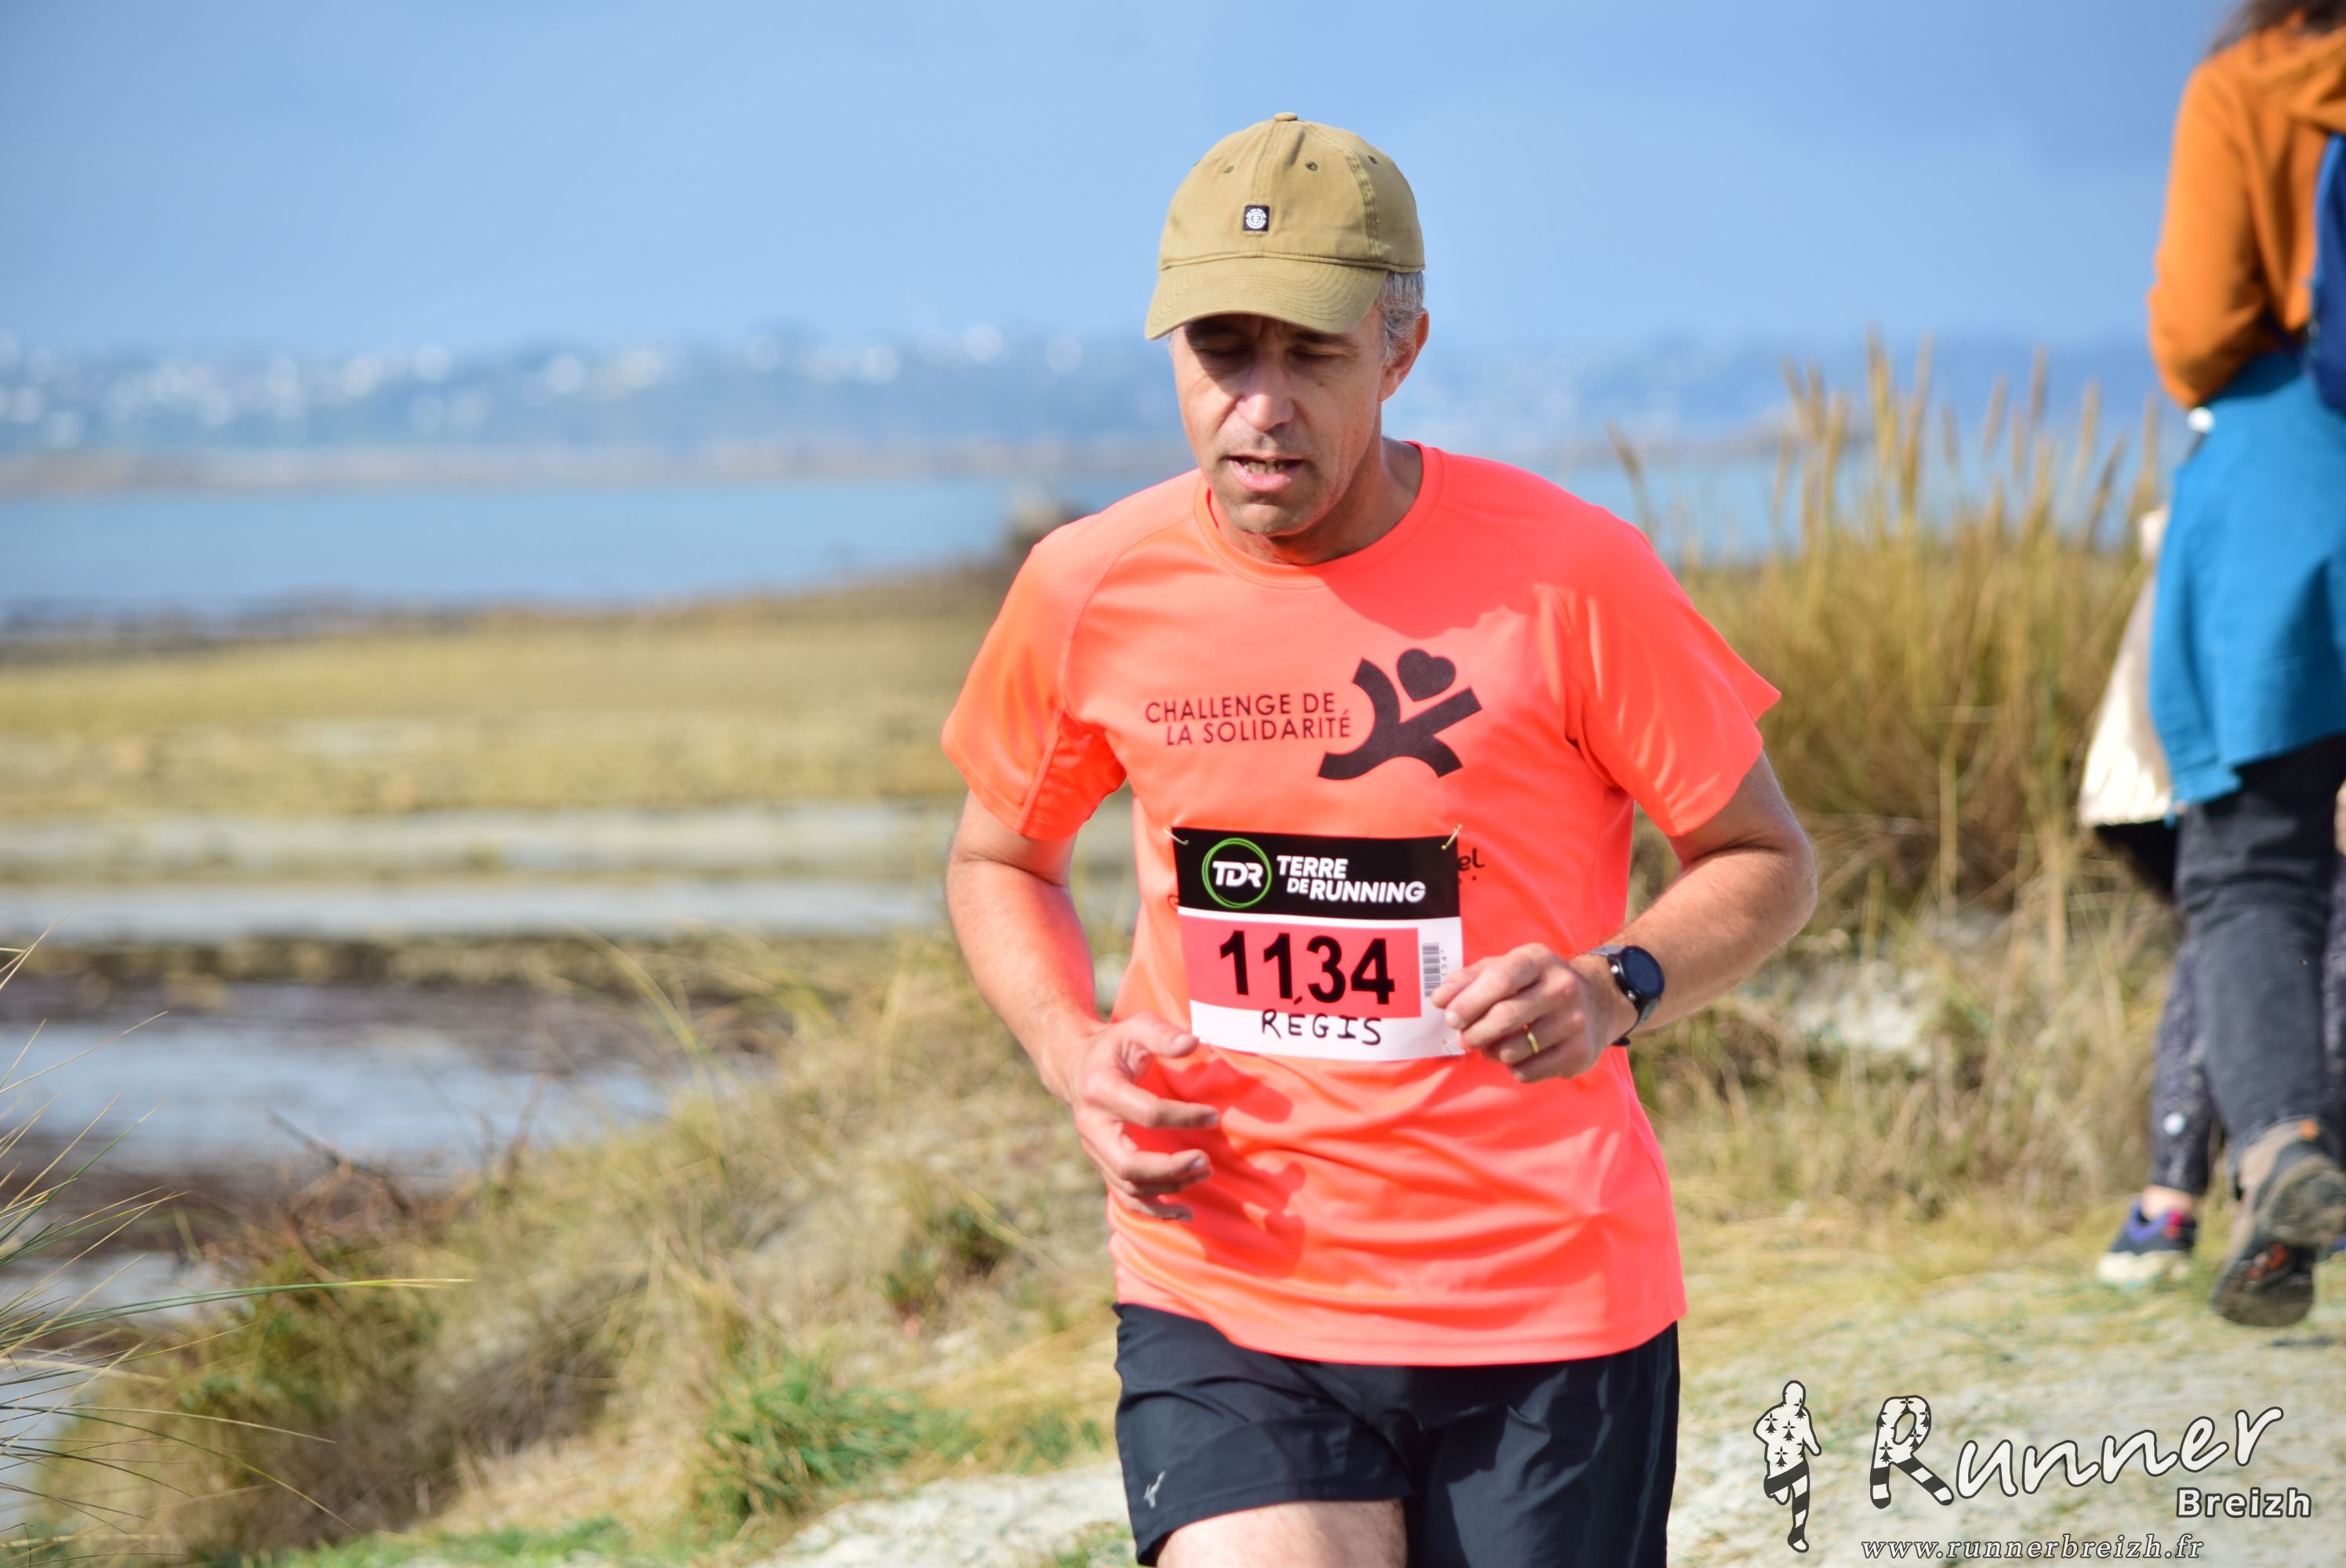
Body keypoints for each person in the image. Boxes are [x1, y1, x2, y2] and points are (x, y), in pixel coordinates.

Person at [941, 113, 1816, 1568]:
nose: (1261, 407)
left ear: (1402, 350)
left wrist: (1615, 986)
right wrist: (1069, 1048)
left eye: (1313, 355)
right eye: (1224, 352)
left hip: (1544, 1300)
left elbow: (1763, 859)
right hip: (1226, 1287)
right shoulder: (1088, 585)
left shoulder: (1570, 575)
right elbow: (998, 861)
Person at [2144, 0, 2346, 1326]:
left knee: (2253, 861)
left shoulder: (2251, 84)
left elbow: (2200, 328)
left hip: (2292, 489)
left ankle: (2281, 1149)